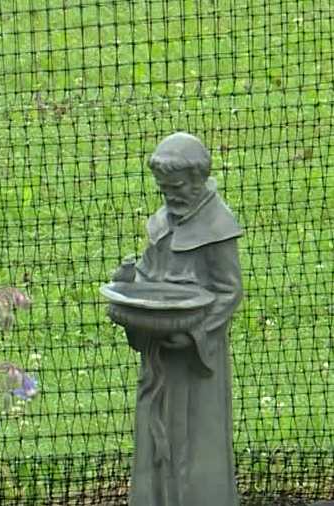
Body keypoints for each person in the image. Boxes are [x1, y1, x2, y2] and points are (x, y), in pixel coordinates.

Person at [113, 132, 243, 505]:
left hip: (196, 360)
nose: (170, 195)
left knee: (196, 439)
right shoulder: (162, 221)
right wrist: (130, 282)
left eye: (177, 187)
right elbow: (149, 273)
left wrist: (194, 334)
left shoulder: (218, 225)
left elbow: (229, 291)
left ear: (199, 180)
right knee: (156, 439)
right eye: (164, 188)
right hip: (159, 358)